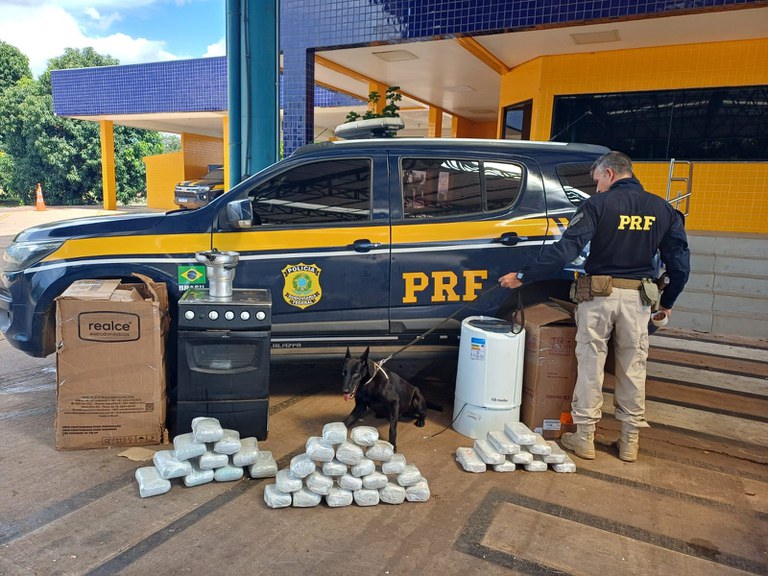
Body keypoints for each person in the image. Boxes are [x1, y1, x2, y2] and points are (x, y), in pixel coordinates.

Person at [498, 151, 690, 462]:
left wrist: (525, 275)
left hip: (598, 296)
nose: (595, 186)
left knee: (591, 364)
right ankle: (629, 442)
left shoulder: (597, 205)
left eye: (597, 179)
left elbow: (565, 249)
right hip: (638, 298)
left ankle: (584, 437)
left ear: (611, 174)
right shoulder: (663, 209)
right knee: (633, 366)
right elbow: (679, 265)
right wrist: (667, 303)